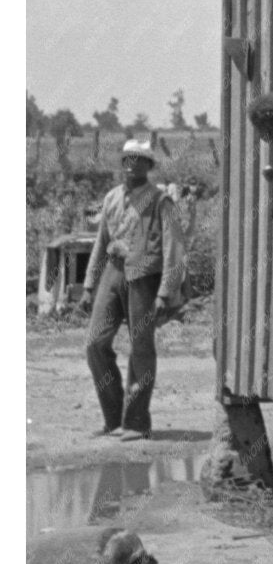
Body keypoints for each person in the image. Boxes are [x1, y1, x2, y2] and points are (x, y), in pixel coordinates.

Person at [80, 140, 186, 439]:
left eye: (139, 160)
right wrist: (89, 284)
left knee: (140, 347)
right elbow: (101, 243)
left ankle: (136, 422)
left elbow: (174, 248)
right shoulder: (112, 197)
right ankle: (114, 419)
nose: (131, 165)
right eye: (127, 159)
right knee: (94, 344)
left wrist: (166, 292)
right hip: (113, 273)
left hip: (145, 277)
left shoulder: (160, 201)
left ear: (149, 167)